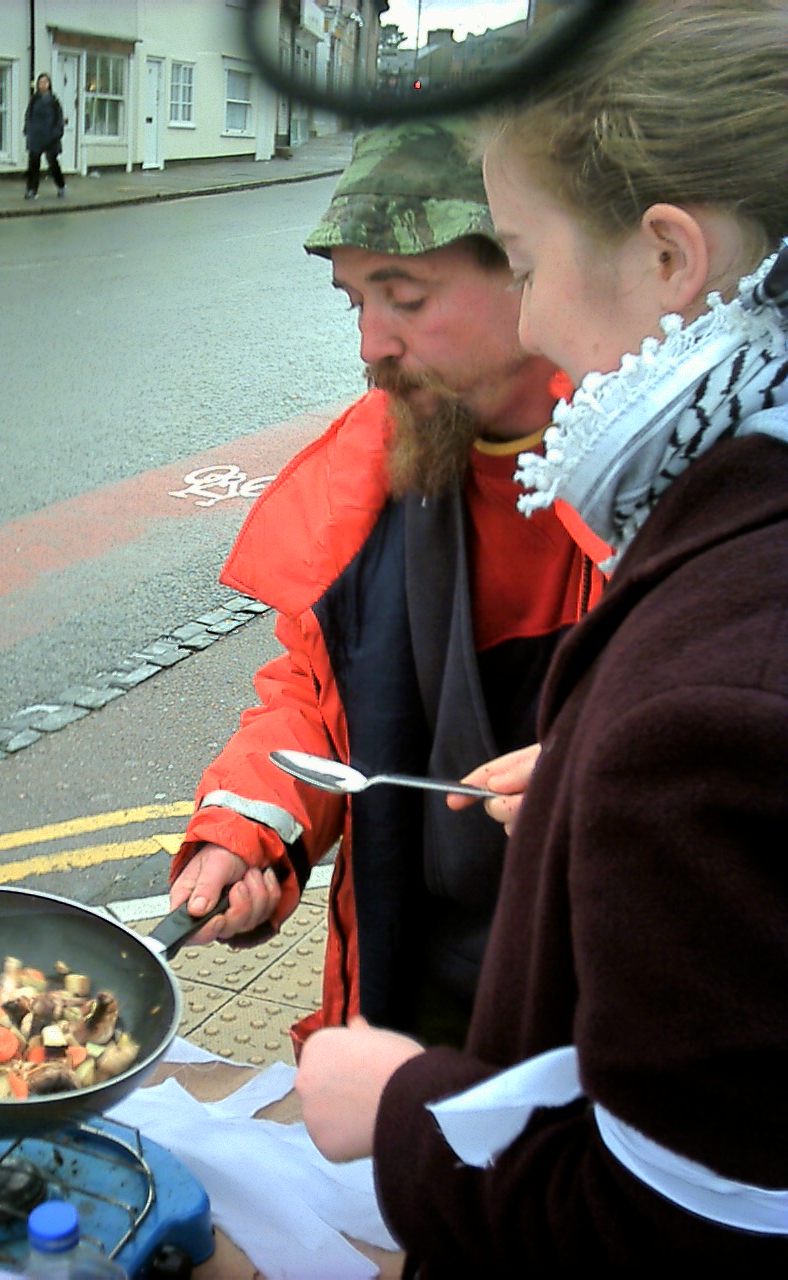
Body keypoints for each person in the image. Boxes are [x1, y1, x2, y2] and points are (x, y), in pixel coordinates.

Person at [295, 2, 788, 1269]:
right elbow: (313, 667)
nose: (371, 350)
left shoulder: (705, 693)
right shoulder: (393, 458)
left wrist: (408, 1122)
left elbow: (673, 1212)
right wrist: (253, 816)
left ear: (670, 256)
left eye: (517, 257)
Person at [169, 120, 605, 1056]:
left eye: (404, 297)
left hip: (593, 1009)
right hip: (414, 995)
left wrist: (611, 785)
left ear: (531, 270)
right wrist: (245, 833)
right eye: (354, 303)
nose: (372, 344)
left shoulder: (656, 480)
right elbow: (317, 704)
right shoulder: (364, 483)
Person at [23, 73, 65, 200]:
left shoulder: (54, 101)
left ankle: (61, 185)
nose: (43, 84)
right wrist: (27, 130)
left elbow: (59, 119)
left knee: (52, 163)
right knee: (33, 165)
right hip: (36, 137)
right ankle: (31, 190)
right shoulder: (34, 100)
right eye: (40, 82)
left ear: (49, 84)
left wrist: (56, 133)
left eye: (45, 82)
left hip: (50, 137)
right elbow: (28, 116)